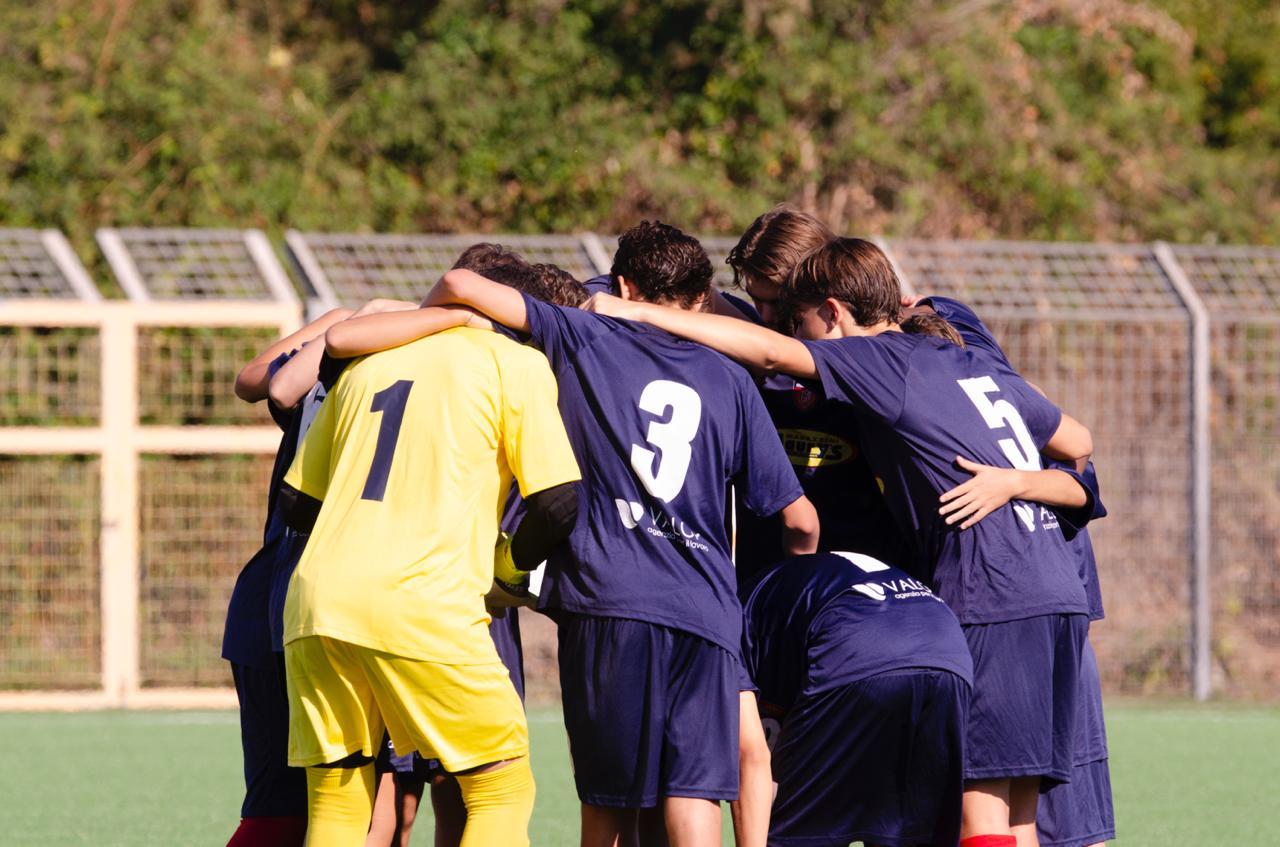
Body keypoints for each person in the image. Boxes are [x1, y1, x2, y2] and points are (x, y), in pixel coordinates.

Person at [585, 236, 1095, 847]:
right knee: (1017, 816)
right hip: (1055, 590)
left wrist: (638, 310)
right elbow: (1078, 440)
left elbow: (772, 355)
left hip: (990, 588)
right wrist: (1016, 481)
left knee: (978, 816)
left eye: (803, 323)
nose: (800, 338)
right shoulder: (962, 356)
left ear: (833, 310)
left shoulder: (878, 356)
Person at [347, 220, 819, 846]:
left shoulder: (584, 334)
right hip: (707, 613)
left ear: (623, 283)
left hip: (611, 602)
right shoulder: (731, 379)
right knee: (695, 799)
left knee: (608, 804)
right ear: (702, 297)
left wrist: (433, 326)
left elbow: (463, 282)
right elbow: (800, 518)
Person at [279, 283, 583, 846]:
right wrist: (508, 567)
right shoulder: (514, 361)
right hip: (423, 597)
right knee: (500, 787)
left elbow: (295, 501)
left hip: (318, 600)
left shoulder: (370, 365)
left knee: (338, 799)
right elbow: (559, 500)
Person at [912, 295, 1114, 847]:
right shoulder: (999, 396)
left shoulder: (967, 405)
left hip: (1015, 615)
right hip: (1055, 612)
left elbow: (1080, 469)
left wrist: (1011, 481)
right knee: (1027, 818)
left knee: (1012, 815)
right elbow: (1080, 459)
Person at [224, 306, 356, 847]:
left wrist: (343, 321)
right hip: (329, 607)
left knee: (287, 809)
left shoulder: (327, 370)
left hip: (268, 603)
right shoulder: (361, 379)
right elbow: (266, 385)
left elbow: (262, 383)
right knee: (351, 803)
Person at [742, 551, 973, 847]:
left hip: (858, 643)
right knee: (911, 836)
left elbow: (753, 757)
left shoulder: (730, 621)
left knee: (792, 833)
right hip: (950, 649)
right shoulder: (785, 590)